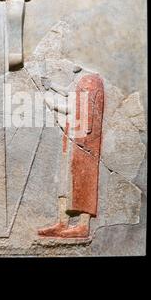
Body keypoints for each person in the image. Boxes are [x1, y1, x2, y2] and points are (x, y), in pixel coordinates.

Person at [38, 69, 104, 238]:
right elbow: (72, 93)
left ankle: (83, 226)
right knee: (65, 180)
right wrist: (52, 86)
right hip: (74, 138)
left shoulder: (90, 81)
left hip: (83, 142)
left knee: (82, 182)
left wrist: (51, 103)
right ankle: (62, 222)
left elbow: (77, 109)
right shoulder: (84, 79)